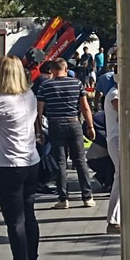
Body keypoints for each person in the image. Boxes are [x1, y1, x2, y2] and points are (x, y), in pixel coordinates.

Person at [0, 56, 42, 260]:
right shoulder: (29, 95)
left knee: (14, 219)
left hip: (7, 163)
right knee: (29, 213)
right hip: (31, 159)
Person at [35, 58, 96, 209]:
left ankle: (63, 199)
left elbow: (39, 110)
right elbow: (85, 107)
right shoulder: (76, 83)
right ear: (66, 68)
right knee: (80, 160)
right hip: (74, 123)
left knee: (60, 162)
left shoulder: (45, 85)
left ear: (52, 70)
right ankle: (87, 196)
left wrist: (38, 130)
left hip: (55, 124)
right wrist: (90, 126)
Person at [104, 73, 121, 234]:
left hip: (118, 138)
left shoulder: (117, 93)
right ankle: (114, 219)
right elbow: (123, 114)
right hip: (116, 139)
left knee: (122, 177)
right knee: (121, 177)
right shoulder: (115, 94)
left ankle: (117, 217)